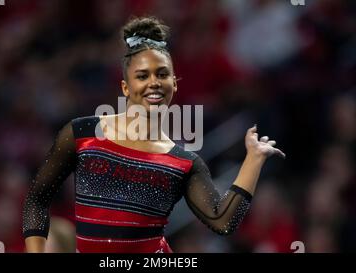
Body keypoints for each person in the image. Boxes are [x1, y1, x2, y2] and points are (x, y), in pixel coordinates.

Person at [22, 16, 285, 253]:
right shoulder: (82, 133)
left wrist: (253, 159)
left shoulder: (184, 162)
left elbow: (222, 221)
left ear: (174, 85)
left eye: (162, 74)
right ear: (125, 86)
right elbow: (37, 198)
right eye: (142, 75)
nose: (154, 83)